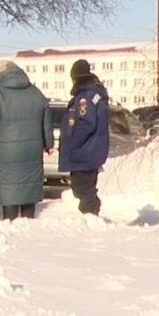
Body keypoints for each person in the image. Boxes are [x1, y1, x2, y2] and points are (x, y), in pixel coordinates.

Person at [0, 60, 54, 221]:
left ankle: (10, 224)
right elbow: (46, 121)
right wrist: (48, 143)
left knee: (10, 193)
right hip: (31, 152)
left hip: (7, 154)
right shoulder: (36, 93)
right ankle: (28, 224)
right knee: (28, 191)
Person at [57, 59, 110, 216]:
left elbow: (85, 123)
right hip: (89, 151)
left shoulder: (85, 97)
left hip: (84, 152)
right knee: (83, 189)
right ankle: (89, 217)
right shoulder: (92, 94)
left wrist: (72, 144)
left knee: (84, 189)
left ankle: (90, 218)